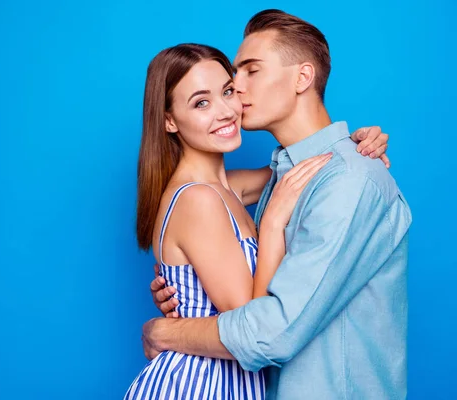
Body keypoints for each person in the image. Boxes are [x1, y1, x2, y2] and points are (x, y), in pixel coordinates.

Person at [143, 10, 411, 400]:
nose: (235, 91)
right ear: (170, 120)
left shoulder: (345, 180)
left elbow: (268, 332)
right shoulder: (284, 177)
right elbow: (254, 310)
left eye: (250, 72)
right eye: (235, 76)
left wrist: (166, 331)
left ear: (303, 77)